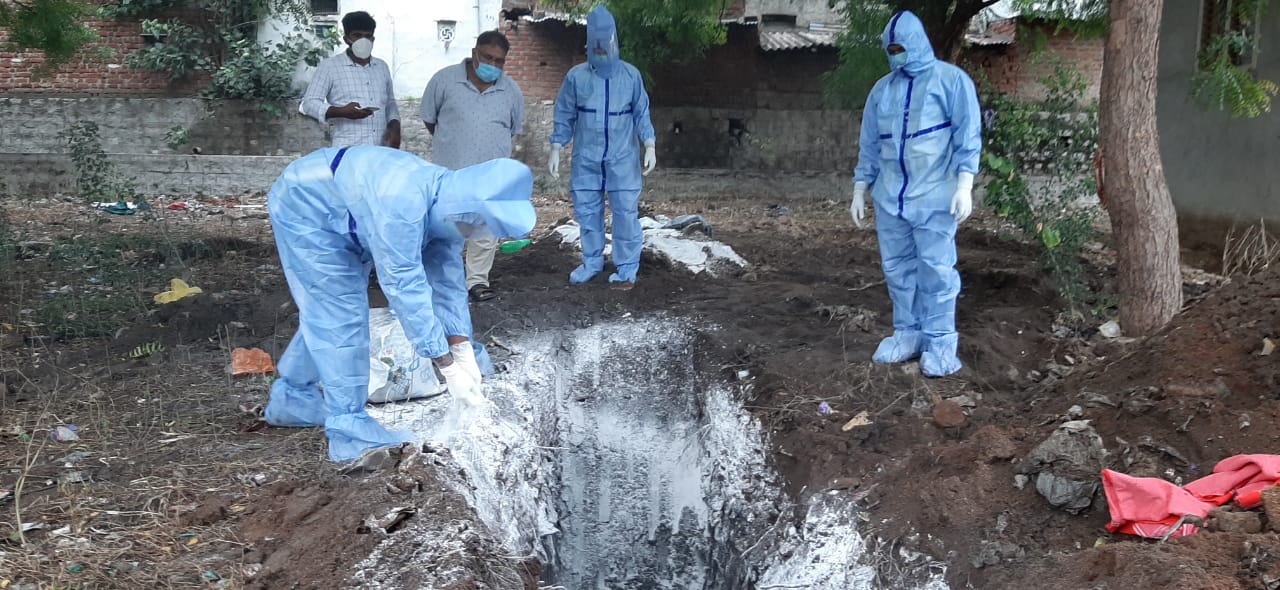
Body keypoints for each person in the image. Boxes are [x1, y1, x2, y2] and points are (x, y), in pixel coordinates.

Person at [263, 145, 536, 462]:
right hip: (307, 208)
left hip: (348, 211)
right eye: (479, 227)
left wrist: (463, 349)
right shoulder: (402, 204)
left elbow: (446, 283)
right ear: (467, 213)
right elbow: (405, 285)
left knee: (328, 313)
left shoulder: (446, 205)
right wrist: (447, 366)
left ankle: (292, 398)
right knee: (339, 312)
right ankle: (349, 430)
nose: (475, 235)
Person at [849, 10, 981, 378]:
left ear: (917, 43)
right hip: (891, 197)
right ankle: (907, 332)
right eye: (890, 50)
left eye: (901, 47)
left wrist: (964, 184)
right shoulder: (881, 90)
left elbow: (966, 135)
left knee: (937, 270)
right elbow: (871, 144)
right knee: (897, 268)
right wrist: (861, 187)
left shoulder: (952, 82)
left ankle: (940, 342)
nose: (896, 55)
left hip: (936, 196)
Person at [548, 5, 656, 290]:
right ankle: (592, 261)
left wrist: (649, 142)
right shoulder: (576, 77)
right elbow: (565, 112)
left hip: (623, 157)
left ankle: (627, 265)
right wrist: (557, 145)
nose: (601, 54)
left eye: (605, 47)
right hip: (587, 158)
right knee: (587, 210)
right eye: (596, 48)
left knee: (625, 212)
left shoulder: (630, 76)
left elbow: (641, 111)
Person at [420, 30, 525, 302]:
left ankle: (477, 282)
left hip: (491, 176)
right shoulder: (444, 81)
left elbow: (512, 129)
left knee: (485, 230)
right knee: (448, 229)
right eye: (488, 57)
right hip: (451, 173)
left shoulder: (510, 91)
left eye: (499, 61)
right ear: (474, 52)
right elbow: (430, 120)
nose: (493, 65)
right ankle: (445, 283)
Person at [299, 11, 402, 149]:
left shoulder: (381, 67)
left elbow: (390, 104)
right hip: (347, 150)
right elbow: (309, 103)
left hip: (381, 149)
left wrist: (395, 127)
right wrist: (340, 111)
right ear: (347, 38)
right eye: (357, 35)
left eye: (367, 36)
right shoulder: (330, 67)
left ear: (373, 39)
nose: (363, 41)